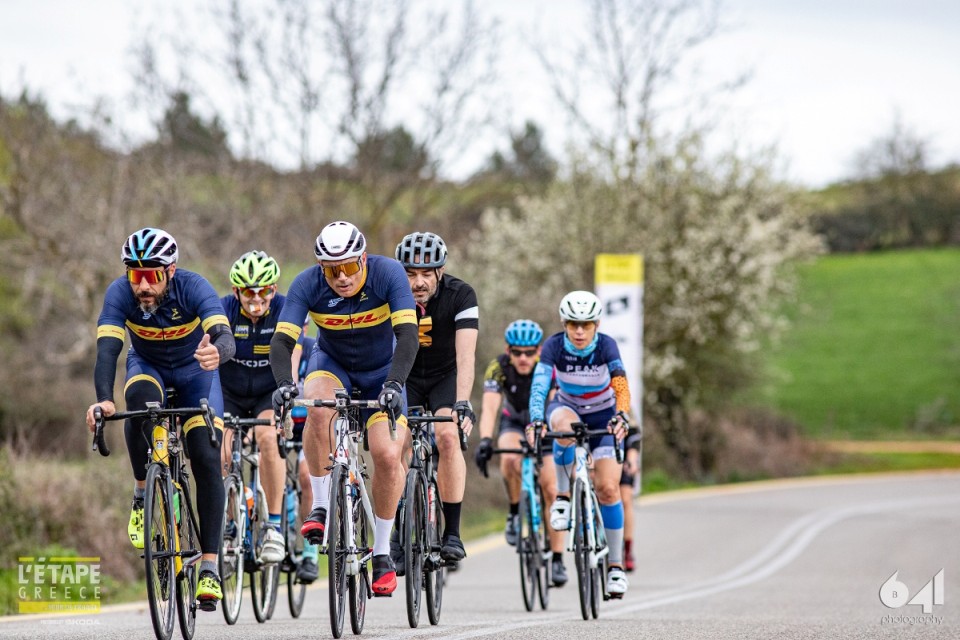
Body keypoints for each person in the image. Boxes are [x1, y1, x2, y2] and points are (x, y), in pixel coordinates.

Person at [85, 227, 236, 612]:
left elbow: (224, 335)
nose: (143, 285)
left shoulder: (194, 287)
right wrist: (103, 400)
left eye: (152, 275)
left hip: (196, 372)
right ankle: (142, 493)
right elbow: (108, 350)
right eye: (135, 275)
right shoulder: (119, 293)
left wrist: (217, 353)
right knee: (137, 401)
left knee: (205, 456)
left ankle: (210, 566)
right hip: (148, 365)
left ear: (170, 270)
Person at [269, 221, 419, 596]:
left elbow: (408, 336)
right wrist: (284, 384)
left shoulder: (388, 274)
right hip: (332, 365)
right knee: (317, 405)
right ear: (321, 268)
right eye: (332, 270)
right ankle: (321, 505)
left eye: (350, 267)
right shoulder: (307, 284)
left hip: (383, 373)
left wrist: (395, 384)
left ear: (363, 259)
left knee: (387, 455)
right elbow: (282, 342)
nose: (342, 278)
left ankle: (381, 553)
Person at [527, 290, 632, 598]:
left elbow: (621, 384)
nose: (580, 331)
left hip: (603, 415)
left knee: (609, 489)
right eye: (573, 324)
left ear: (596, 324)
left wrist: (622, 415)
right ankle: (562, 497)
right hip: (567, 407)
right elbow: (540, 386)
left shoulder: (606, 345)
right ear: (564, 324)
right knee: (564, 428)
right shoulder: (554, 345)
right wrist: (536, 419)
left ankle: (615, 567)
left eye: (586, 325)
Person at [391, 231, 478, 572]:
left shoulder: (461, 295)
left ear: (440, 271)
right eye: (411, 274)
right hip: (406, 378)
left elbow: (466, 356)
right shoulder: (389, 296)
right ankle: (398, 529)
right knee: (395, 445)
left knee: (447, 436)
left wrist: (462, 403)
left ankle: (452, 533)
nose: (418, 282)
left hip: (445, 377)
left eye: (426, 273)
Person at [474, 319, 568, 586]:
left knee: (551, 489)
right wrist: (485, 440)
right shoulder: (498, 367)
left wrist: (549, 431)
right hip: (514, 421)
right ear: (508, 350)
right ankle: (515, 512)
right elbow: (490, 408)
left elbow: (556, 403)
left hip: (545, 424)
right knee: (509, 458)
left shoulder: (548, 367)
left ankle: (557, 558)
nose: (523, 358)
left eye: (529, 352)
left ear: (539, 350)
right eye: (517, 352)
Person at [218, 250, 288, 566]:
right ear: (237, 292)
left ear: (274, 289)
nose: (256, 299)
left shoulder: (285, 309)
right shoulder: (223, 310)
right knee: (221, 449)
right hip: (230, 393)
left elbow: (295, 353)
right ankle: (231, 522)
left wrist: (288, 396)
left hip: (267, 393)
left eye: (264, 291)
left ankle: (273, 526)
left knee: (267, 438)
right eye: (249, 292)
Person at [290, 321, 319, 583]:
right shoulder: (274, 351)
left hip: (308, 426)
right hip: (281, 426)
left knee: (305, 477)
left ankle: (310, 551)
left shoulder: (312, 351)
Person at [619, 424, 642, 572]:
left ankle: (627, 550)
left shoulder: (627, 413)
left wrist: (631, 461)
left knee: (626, 499)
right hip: (598, 451)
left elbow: (633, 441)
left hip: (622, 455)